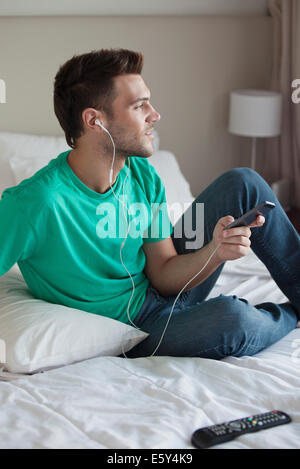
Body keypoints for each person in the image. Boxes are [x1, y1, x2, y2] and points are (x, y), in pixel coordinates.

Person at [0, 48, 299, 360]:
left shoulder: (142, 175)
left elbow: (163, 272)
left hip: (165, 293)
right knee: (233, 318)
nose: (155, 114)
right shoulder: (35, 203)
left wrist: (215, 251)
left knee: (244, 183)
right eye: (139, 105)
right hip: (135, 332)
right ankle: (291, 315)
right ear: (94, 120)